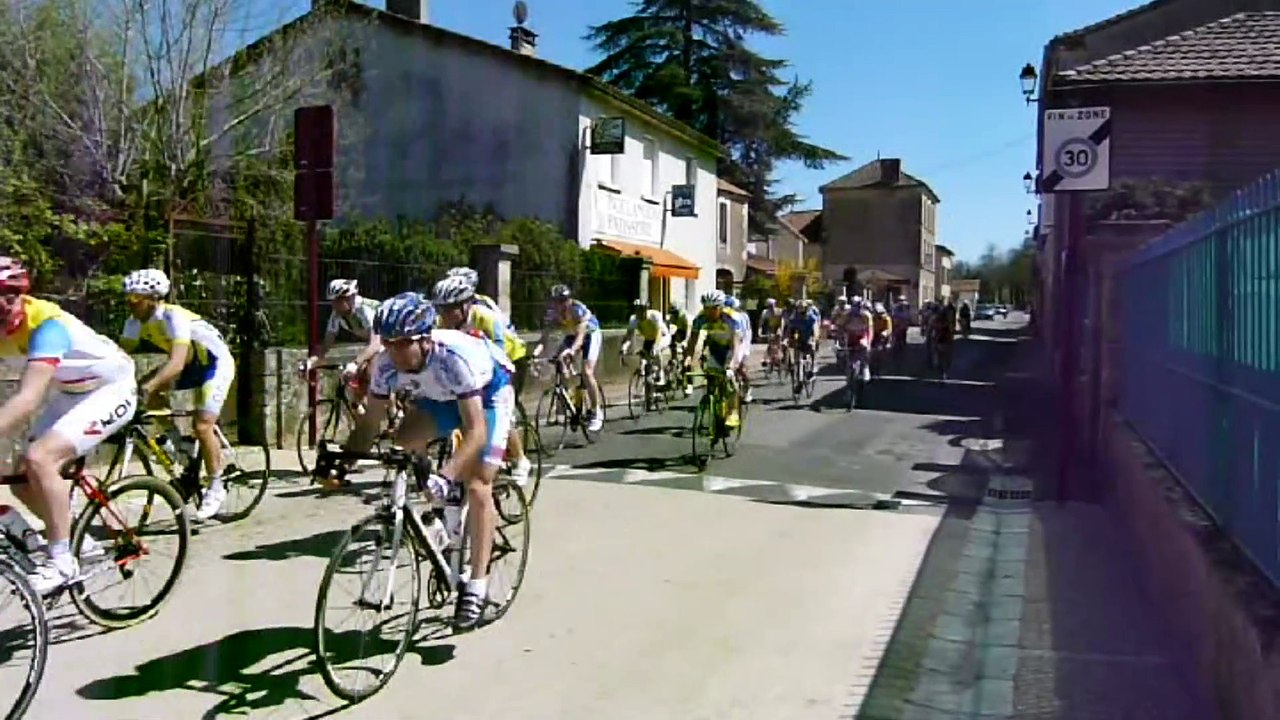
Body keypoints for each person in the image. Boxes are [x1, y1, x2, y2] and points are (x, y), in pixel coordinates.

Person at [344, 292, 515, 630]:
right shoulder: (386, 364)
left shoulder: (453, 358)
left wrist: (449, 474)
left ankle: (476, 588)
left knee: (479, 481)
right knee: (404, 440)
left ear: (423, 340)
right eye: (388, 343)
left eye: (401, 343)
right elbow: (370, 423)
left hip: (488, 396)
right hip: (440, 397)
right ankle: (440, 507)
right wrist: (343, 460)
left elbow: (476, 430)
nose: (393, 351)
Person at [0, 258, 136, 592]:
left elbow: (29, 397)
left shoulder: (47, 325)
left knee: (40, 459)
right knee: (20, 478)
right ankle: (79, 539)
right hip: (69, 391)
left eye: (11, 297)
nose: (6, 307)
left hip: (110, 387)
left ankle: (62, 560)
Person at [120, 268, 234, 521]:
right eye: (127, 298)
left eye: (135, 298)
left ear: (152, 298)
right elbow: (121, 359)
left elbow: (176, 363)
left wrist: (148, 386)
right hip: (189, 364)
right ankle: (178, 441)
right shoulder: (133, 322)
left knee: (203, 426)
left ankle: (216, 486)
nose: (130, 303)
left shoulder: (173, 317)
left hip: (214, 365)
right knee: (147, 390)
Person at [431, 275, 532, 486]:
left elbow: (499, 352)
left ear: (466, 305)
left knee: (503, 414)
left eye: (450, 309)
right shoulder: (442, 322)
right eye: (440, 309)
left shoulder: (485, 316)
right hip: (473, 367)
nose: (445, 315)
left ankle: (520, 459)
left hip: (508, 359)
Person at [301, 279, 382, 410]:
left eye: (338, 301)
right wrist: (309, 363)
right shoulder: (337, 315)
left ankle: (393, 413)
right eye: (332, 302)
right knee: (355, 384)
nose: (334, 305)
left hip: (389, 339)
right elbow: (326, 346)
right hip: (374, 342)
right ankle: (364, 412)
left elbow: (376, 344)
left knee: (370, 371)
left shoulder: (365, 310)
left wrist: (355, 363)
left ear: (350, 298)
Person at [533, 285, 604, 432]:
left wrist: (571, 351)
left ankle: (597, 412)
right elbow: (544, 339)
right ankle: (568, 401)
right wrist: (534, 355)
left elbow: (580, 336)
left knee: (587, 372)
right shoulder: (552, 314)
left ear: (569, 299)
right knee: (559, 362)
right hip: (572, 335)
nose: (560, 304)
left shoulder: (578, 309)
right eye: (556, 301)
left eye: (563, 300)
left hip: (590, 335)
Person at [686, 290, 746, 427]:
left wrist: (732, 366)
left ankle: (733, 412)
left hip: (732, 346)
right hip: (716, 345)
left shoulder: (732, 318)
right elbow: (692, 341)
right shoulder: (700, 318)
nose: (709, 312)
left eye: (713, 309)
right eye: (706, 308)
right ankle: (714, 403)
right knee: (711, 375)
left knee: (729, 379)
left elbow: (736, 346)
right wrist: (688, 358)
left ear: (720, 307)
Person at [620, 298, 671, 385]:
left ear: (646, 309)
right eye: (637, 310)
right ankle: (648, 382)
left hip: (663, 336)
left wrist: (655, 346)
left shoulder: (654, 315)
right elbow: (629, 335)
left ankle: (660, 375)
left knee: (656, 351)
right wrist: (624, 347)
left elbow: (658, 332)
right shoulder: (633, 319)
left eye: (642, 310)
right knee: (644, 357)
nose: (640, 313)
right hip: (649, 339)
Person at [723, 295, 753, 403]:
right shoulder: (723, 316)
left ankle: (747, 387)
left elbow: (742, 337)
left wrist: (736, 358)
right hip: (729, 340)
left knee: (741, 367)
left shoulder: (742, 317)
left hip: (743, 340)